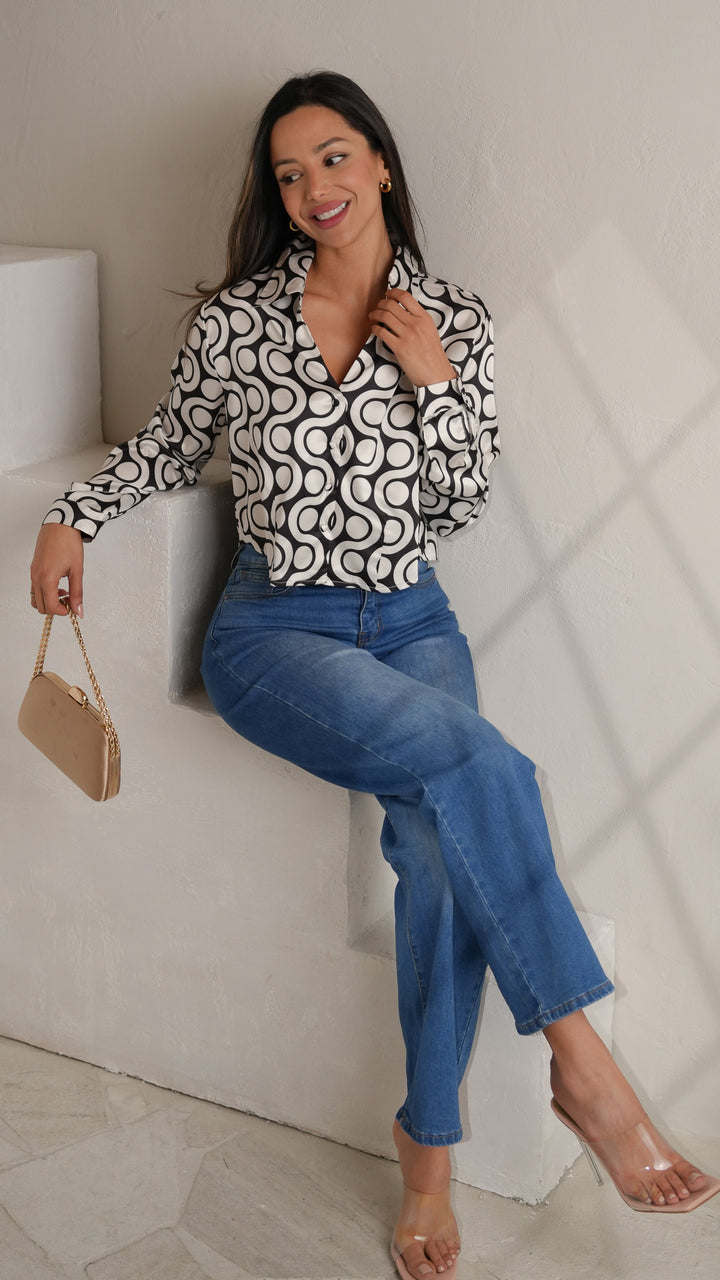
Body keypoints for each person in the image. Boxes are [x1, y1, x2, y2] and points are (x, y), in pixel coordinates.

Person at [30, 71, 719, 1280]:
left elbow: (456, 503)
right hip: (273, 631)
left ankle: (428, 1151)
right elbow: (169, 444)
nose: (316, 188)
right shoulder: (239, 322)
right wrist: (69, 517)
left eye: (335, 158)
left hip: (411, 618)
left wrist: (435, 379)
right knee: (487, 766)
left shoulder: (451, 318)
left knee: (440, 854)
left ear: (382, 163)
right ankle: (585, 1065)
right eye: (290, 173)